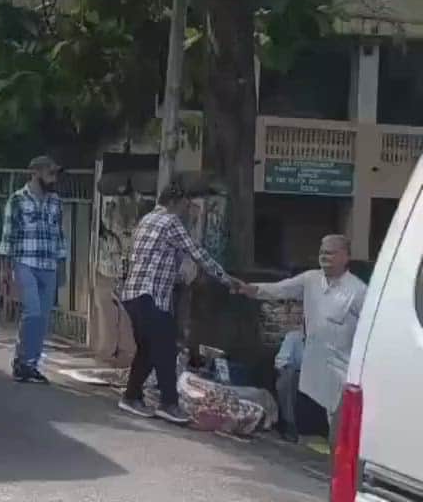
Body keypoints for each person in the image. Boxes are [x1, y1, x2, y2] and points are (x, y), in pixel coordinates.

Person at [118, 183, 241, 423]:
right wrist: (227, 279)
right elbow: (197, 252)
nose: (188, 209)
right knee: (165, 348)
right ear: (176, 201)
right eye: (187, 204)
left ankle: (131, 396)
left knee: (148, 349)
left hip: (135, 294)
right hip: (149, 294)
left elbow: (158, 260)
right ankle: (169, 403)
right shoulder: (170, 222)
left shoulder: (146, 220)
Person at [237, 234, 367, 443]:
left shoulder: (358, 291)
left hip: (344, 365)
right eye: (322, 252)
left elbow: (368, 329)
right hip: (315, 361)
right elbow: (280, 289)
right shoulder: (310, 280)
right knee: (329, 420)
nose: (325, 257)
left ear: (345, 257)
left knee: (342, 424)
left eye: (331, 253)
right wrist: (250, 289)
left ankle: (342, 470)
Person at [0, 156, 66, 384]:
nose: (53, 179)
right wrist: (6, 269)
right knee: (33, 311)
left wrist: (62, 264)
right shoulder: (17, 200)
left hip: (48, 264)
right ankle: (21, 360)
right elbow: (8, 235)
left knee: (43, 318)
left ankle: (31, 364)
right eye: (50, 173)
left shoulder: (56, 201)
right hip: (25, 261)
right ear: (36, 173)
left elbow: (60, 235)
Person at [274, 328, 306, 442]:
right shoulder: (294, 337)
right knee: (287, 377)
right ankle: (290, 425)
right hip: (297, 375)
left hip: (317, 377)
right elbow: (281, 362)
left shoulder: (324, 342)